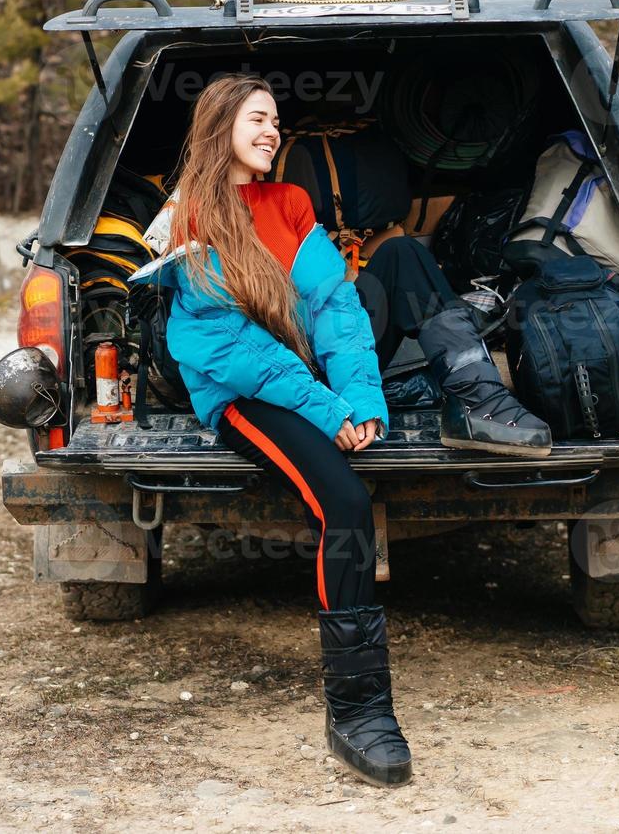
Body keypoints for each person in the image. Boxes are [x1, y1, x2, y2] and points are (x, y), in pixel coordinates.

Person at [126, 73, 550, 788]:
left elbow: (334, 306)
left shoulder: (290, 202)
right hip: (244, 396)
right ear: (219, 126)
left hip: (313, 381)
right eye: (258, 120)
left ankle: (476, 395)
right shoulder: (188, 219)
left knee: (403, 255)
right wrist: (330, 414)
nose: (272, 133)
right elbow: (226, 350)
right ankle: (358, 712)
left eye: (275, 121)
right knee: (345, 506)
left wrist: (361, 400)